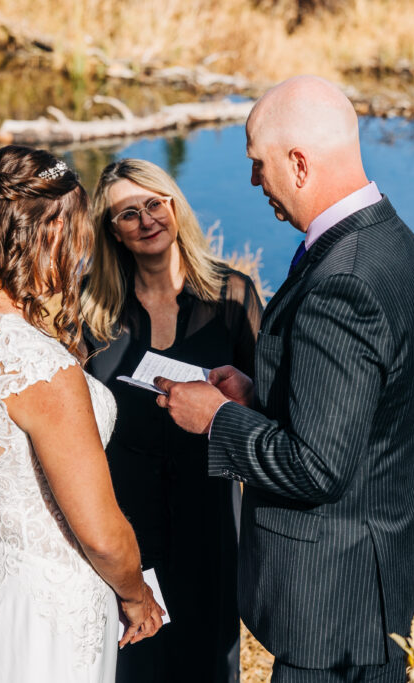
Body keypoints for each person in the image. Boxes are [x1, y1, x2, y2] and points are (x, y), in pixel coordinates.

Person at [155, 75, 414, 683]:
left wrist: (216, 419)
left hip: (334, 614)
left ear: (300, 164)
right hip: (367, 590)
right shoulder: (392, 242)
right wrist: (259, 396)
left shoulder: (344, 279)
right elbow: (355, 417)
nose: (255, 182)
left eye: (259, 165)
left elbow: (319, 467)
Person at [0, 146, 163, 683]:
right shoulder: (37, 367)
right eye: (76, 232)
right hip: (54, 611)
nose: (81, 251)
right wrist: (138, 595)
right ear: (48, 231)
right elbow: (99, 532)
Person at [80, 158, 262, 683]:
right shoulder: (92, 309)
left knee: (209, 659)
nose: (145, 220)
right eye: (127, 213)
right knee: (133, 664)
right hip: (123, 524)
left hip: (210, 514)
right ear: (111, 231)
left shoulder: (233, 296)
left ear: (174, 206)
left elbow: (264, 409)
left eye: (154, 204)